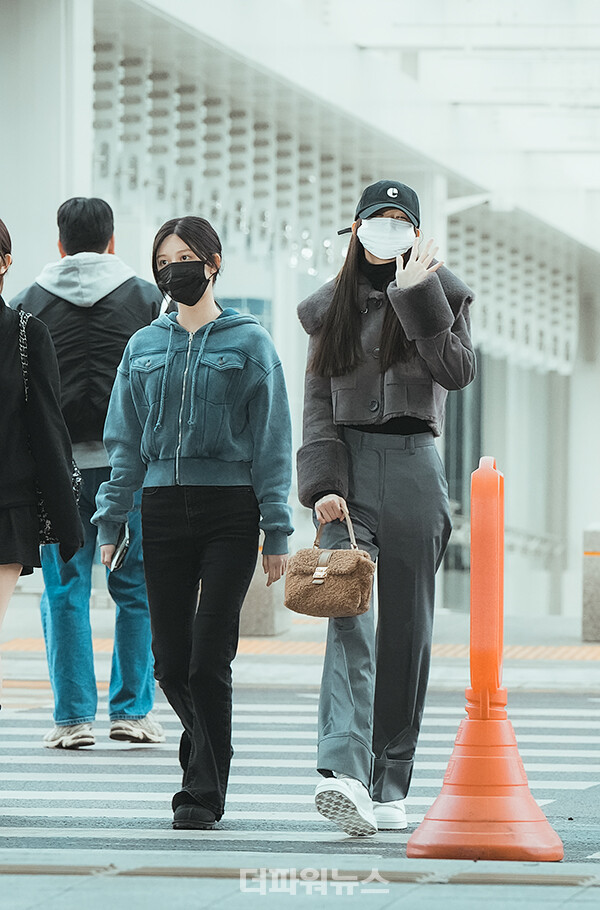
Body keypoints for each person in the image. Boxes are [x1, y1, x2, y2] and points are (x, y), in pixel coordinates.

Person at [91, 215, 293, 830]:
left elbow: (272, 439)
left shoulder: (250, 342)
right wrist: (112, 519)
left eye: (184, 257)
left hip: (231, 512)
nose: (172, 269)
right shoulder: (143, 346)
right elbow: (124, 443)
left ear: (213, 263)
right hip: (161, 512)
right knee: (170, 662)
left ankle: (203, 788)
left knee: (209, 657)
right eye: (163, 261)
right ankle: (207, 756)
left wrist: (277, 528)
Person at [296, 179, 476, 836]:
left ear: (418, 233)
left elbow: (456, 371)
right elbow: (317, 407)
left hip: (414, 470)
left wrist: (419, 295)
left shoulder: (446, 296)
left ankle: (389, 778)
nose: (389, 227)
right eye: (379, 217)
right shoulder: (328, 309)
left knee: (407, 632)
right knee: (349, 616)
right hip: (347, 469)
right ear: (356, 227)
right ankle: (344, 773)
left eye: (402, 219)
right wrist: (320, 485)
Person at [11, 198, 165, 749]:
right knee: (136, 588)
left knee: (64, 588)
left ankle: (73, 718)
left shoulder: (27, 301)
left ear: (59, 243)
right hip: (131, 467)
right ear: (112, 241)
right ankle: (132, 711)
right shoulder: (148, 297)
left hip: (56, 470)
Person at [0, 217, 84, 700]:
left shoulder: (27, 334)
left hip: (6, 512)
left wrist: (65, 520)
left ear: (6, 261)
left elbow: (48, 428)